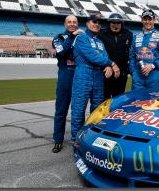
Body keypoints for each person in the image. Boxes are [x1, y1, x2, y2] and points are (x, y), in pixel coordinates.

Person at [70, 13, 120, 143]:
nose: (97, 24)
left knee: (97, 110)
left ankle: (92, 137)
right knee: (78, 110)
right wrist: (111, 64)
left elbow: (104, 57)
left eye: (98, 23)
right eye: (93, 22)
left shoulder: (100, 42)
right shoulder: (81, 38)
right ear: (87, 24)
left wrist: (108, 66)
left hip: (98, 76)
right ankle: (76, 140)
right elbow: (92, 56)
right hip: (83, 74)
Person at [51, 15, 84, 153]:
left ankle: (79, 140)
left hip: (81, 78)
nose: (72, 24)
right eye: (69, 22)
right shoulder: (58, 38)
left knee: (79, 112)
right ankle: (58, 140)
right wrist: (71, 37)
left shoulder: (83, 37)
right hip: (65, 78)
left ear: (77, 24)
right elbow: (60, 54)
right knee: (61, 111)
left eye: (74, 22)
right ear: (65, 24)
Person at [129, 9, 159, 92]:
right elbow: (132, 57)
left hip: (154, 78)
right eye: (145, 19)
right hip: (137, 79)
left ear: (154, 20)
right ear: (142, 20)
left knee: (154, 103)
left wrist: (153, 66)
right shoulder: (135, 37)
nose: (147, 22)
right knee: (136, 102)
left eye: (150, 19)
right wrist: (133, 72)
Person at [99, 13, 133, 99]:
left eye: (118, 23)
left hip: (122, 73)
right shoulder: (101, 34)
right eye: (113, 23)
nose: (115, 25)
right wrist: (107, 65)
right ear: (109, 23)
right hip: (106, 71)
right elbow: (98, 52)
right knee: (104, 99)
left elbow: (133, 52)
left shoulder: (128, 34)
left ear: (121, 24)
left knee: (118, 99)